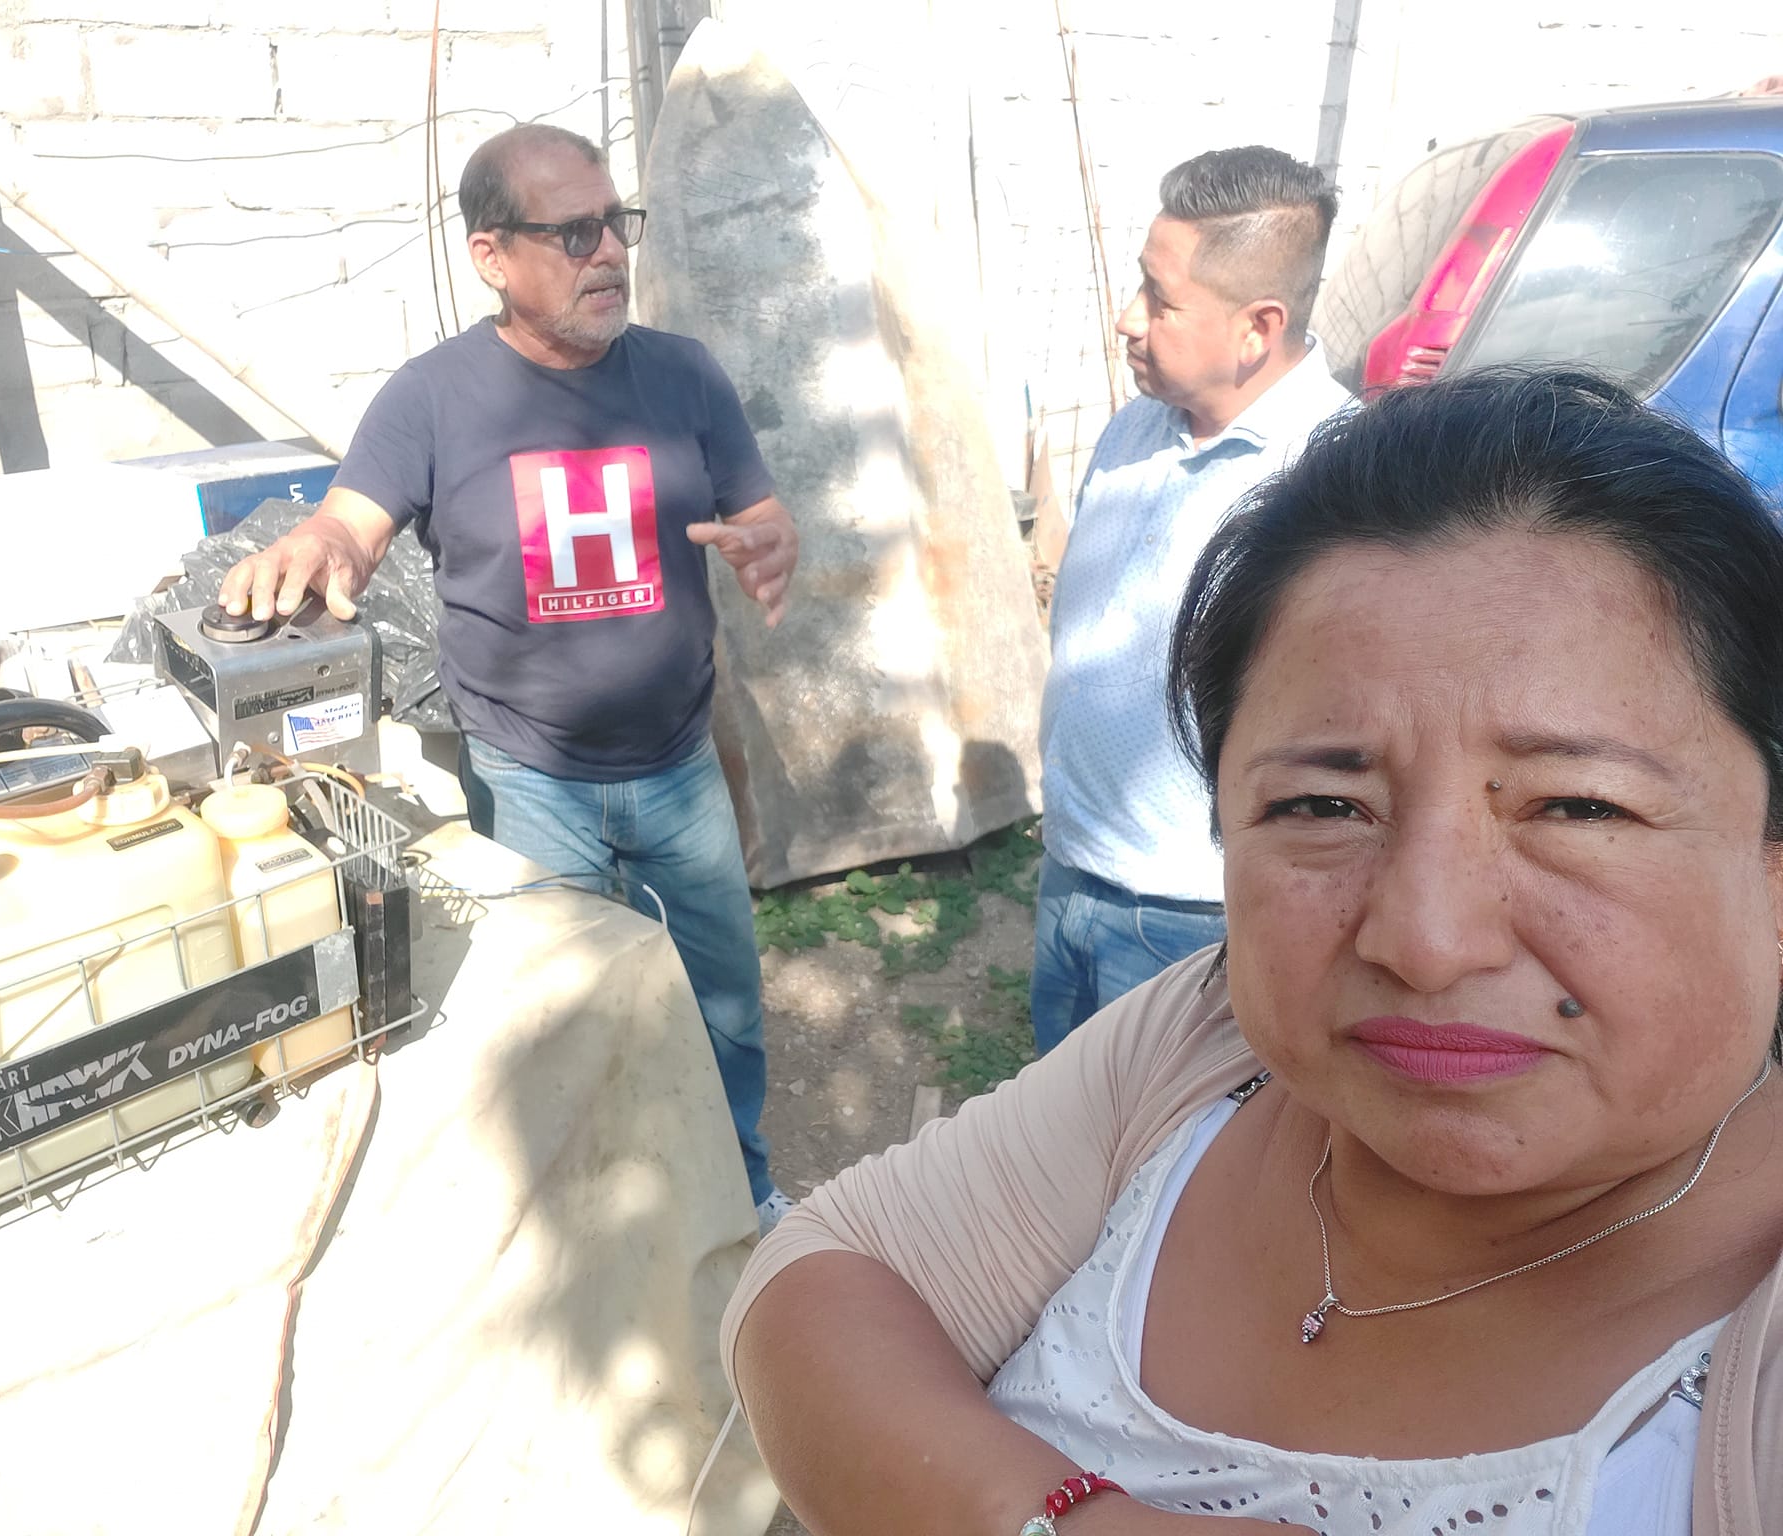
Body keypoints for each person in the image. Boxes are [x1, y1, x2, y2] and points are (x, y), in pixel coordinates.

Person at [721, 369, 1783, 1534]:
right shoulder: (1200, 1049)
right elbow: (825, 1278)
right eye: (1322, 806)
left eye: (1575, 807)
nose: (1424, 943)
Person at [216, 124, 799, 1233]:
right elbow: (349, 527)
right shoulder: (432, 398)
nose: (608, 252)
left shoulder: (683, 375)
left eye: (614, 223)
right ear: (491, 255)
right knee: (561, 1022)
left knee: (721, 1007)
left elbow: (760, 509)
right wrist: (317, 548)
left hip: (679, 769)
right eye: (572, 233)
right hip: (531, 779)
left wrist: (771, 539)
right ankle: (597, 1235)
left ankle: (745, 1196)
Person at [1032, 146, 1349, 1054]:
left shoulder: (1336, 482)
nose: (1128, 319)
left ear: (1257, 328)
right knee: (1064, 1115)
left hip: (1194, 917)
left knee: (1178, 1136)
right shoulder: (1136, 428)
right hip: (1071, 871)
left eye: (1160, 300)